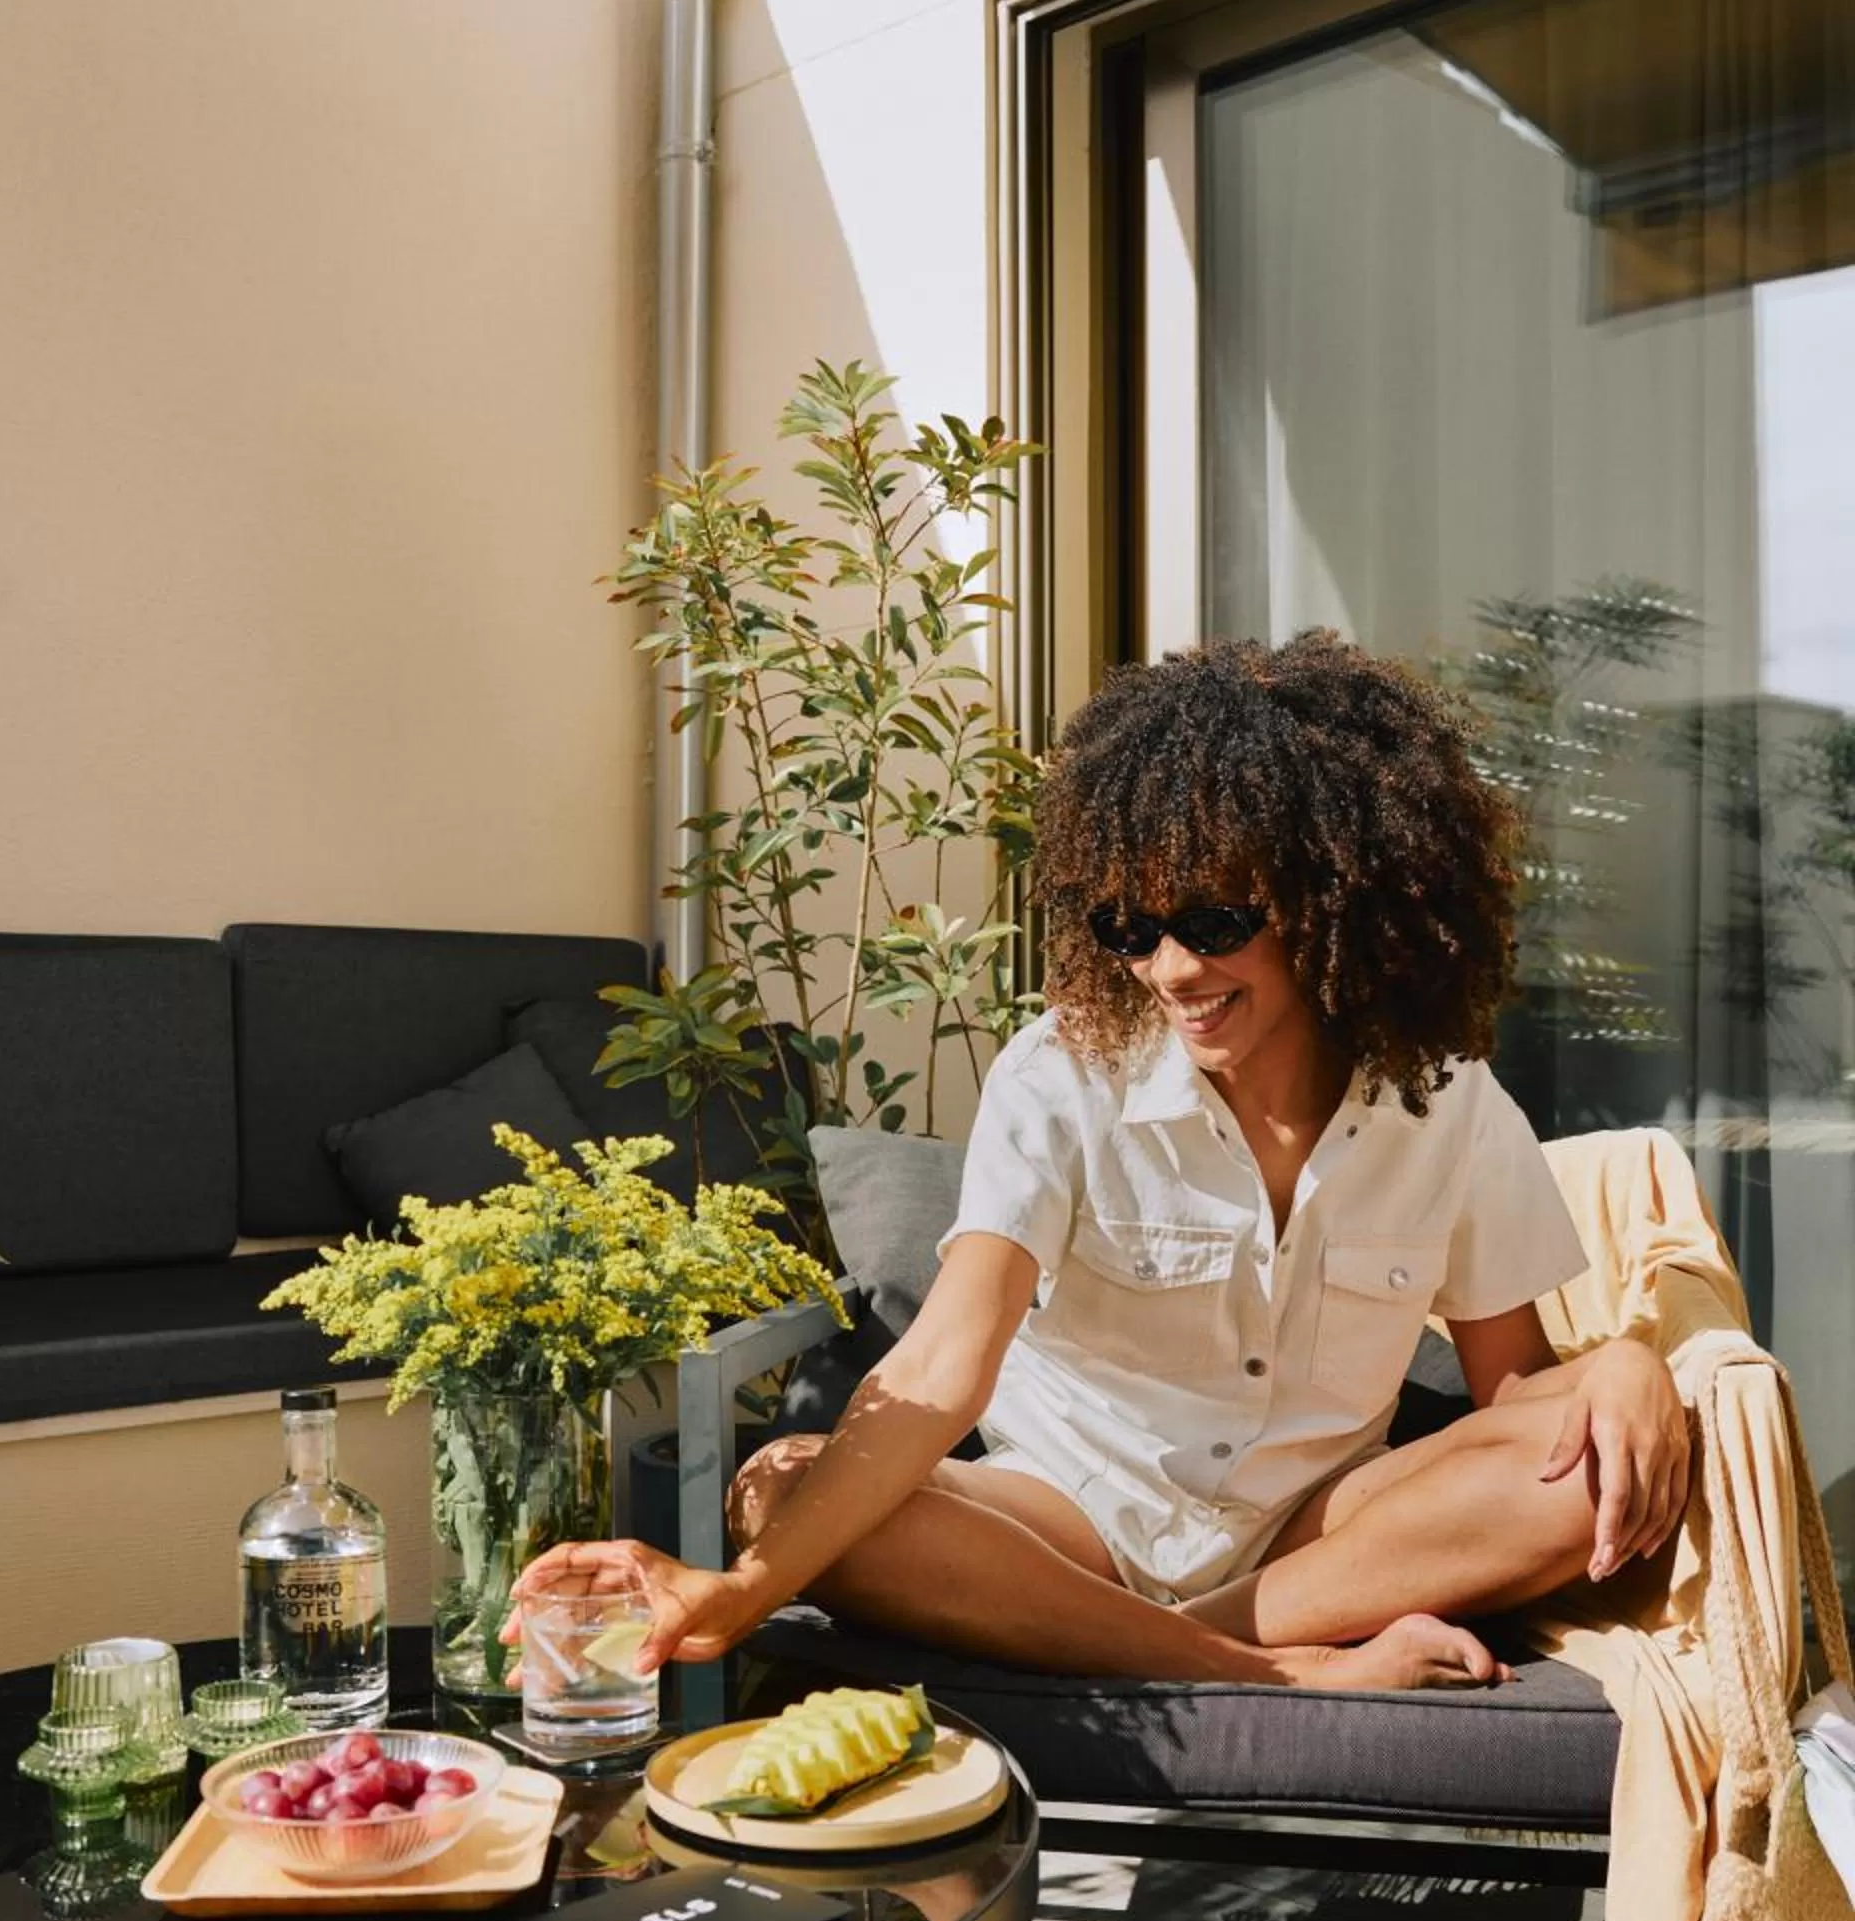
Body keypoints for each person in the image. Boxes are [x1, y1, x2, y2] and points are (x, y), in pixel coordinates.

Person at [510, 633, 1693, 1694]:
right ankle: (1266, 1674)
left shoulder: (1442, 1099)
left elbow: (1514, 1387)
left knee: (1582, 1473)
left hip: (1317, 1536)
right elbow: (945, 1363)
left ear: (1333, 900)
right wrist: (746, 1588)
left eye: (1214, 922)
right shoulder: (1062, 1070)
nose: (1172, 969)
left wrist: (1623, 1367)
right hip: (1064, 1524)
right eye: (1132, 929)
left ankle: (1193, 1645)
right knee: (779, 1486)